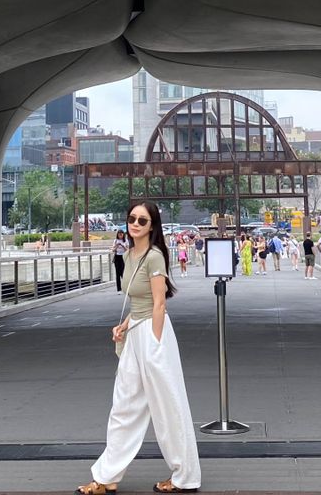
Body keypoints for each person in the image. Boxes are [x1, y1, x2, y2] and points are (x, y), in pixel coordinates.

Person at [76, 201, 201, 494]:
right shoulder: (129, 254)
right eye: (131, 218)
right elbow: (138, 303)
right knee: (124, 405)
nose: (135, 224)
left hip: (154, 335)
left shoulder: (154, 256)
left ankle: (185, 476)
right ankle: (107, 476)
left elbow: (159, 303)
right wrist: (124, 325)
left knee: (168, 406)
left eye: (142, 221)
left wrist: (155, 344)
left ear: (152, 226)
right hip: (135, 332)